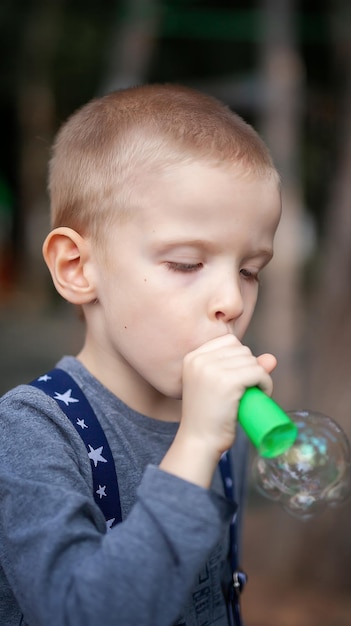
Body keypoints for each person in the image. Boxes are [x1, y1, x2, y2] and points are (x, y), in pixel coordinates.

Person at [0, 84, 281, 625]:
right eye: (185, 263)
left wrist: (208, 438)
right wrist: (196, 444)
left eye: (250, 270)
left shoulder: (227, 430)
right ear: (77, 268)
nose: (231, 300)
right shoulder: (30, 431)